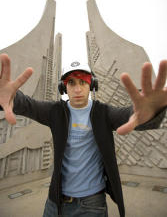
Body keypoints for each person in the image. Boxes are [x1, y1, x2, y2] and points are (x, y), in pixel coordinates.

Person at [0, 53, 167, 217]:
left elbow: (129, 115)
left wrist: (150, 112)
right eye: (71, 83)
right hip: (55, 202)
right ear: (63, 87)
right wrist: (12, 96)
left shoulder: (103, 112)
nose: (77, 89)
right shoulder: (55, 112)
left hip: (92, 204)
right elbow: (28, 105)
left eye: (83, 82)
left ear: (92, 84)